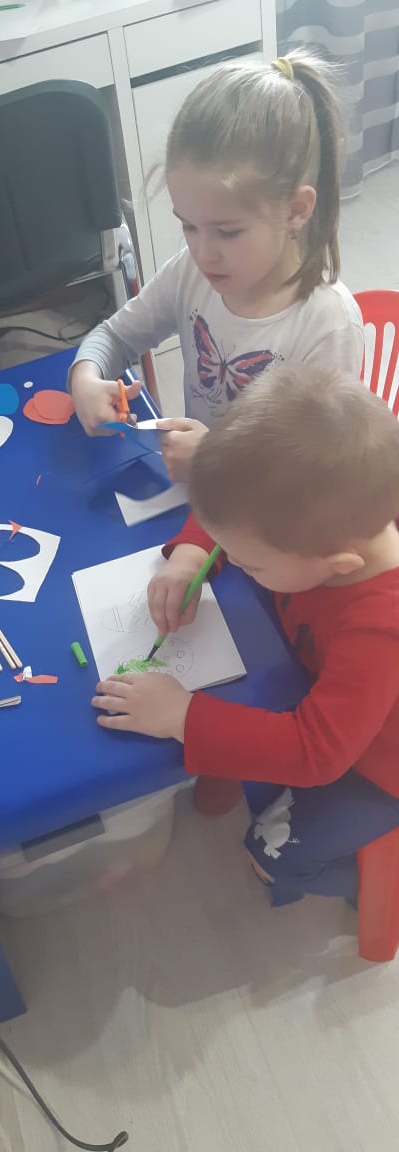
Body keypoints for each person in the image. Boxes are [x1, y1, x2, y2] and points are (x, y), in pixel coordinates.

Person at [91, 364, 399, 907]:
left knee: (269, 852)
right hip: (323, 693)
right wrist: (190, 557)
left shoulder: (380, 630)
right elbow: (236, 515)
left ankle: (375, 892)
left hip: (380, 764)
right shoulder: (317, 530)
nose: (231, 561)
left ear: (339, 564)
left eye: (249, 563)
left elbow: (316, 752)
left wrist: (181, 716)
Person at [70, 50, 364, 483]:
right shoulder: (190, 273)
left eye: (227, 232)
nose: (203, 253)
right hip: (204, 496)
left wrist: (218, 460)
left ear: (296, 210)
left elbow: (326, 475)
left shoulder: (326, 326)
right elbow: (114, 336)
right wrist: (86, 378)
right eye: (188, 226)